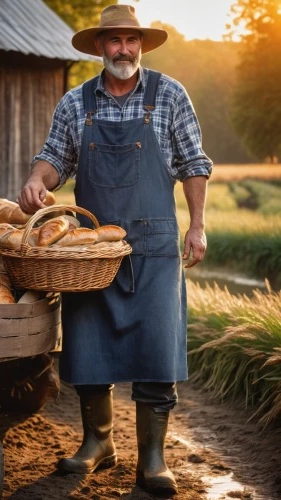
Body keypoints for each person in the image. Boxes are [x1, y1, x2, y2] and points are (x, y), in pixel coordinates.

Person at [18, 4, 212, 495]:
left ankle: (152, 457)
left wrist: (198, 226)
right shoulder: (75, 103)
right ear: (99, 47)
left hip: (155, 246)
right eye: (113, 41)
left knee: (157, 349)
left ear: (140, 44)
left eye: (131, 40)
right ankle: (98, 443)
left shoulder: (169, 94)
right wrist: (36, 181)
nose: (123, 49)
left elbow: (194, 162)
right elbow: (52, 159)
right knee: (88, 347)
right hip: (91, 252)